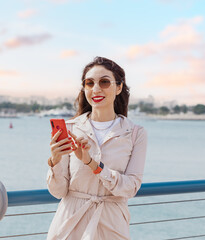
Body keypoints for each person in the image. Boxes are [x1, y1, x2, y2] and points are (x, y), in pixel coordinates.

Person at [46, 56, 148, 240]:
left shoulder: (135, 133)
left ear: (118, 88)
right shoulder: (70, 129)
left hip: (112, 225)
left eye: (104, 82)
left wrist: (93, 164)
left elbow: (130, 188)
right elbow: (58, 191)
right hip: (69, 225)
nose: (96, 89)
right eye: (89, 83)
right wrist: (55, 160)